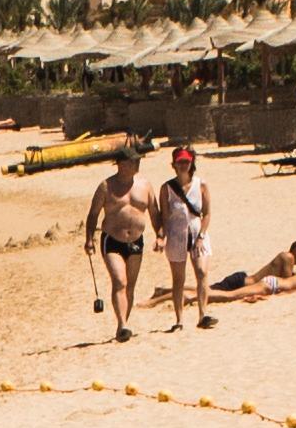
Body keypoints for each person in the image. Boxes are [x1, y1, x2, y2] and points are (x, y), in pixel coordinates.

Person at [84, 148, 153, 340]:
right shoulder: (106, 186)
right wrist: (89, 239)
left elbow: (154, 211)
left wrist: (161, 234)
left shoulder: (145, 185)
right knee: (119, 281)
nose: (137, 164)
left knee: (130, 286)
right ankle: (122, 323)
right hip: (112, 240)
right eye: (133, 161)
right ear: (121, 164)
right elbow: (93, 214)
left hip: (136, 240)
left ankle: (124, 325)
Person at [155, 144, 216, 326]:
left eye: (186, 162)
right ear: (173, 164)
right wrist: (161, 237)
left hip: (197, 232)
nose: (183, 165)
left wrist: (201, 237)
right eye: (180, 162)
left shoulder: (201, 185)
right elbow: (164, 217)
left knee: (202, 272)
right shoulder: (167, 188)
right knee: (178, 279)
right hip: (176, 235)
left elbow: (207, 214)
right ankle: (179, 319)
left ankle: (203, 314)